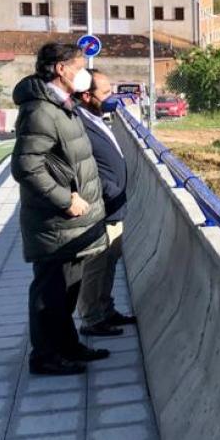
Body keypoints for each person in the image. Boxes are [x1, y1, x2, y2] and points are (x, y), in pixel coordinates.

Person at [11, 42, 110, 376]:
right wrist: (65, 199)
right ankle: (45, 356)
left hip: (70, 224)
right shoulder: (40, 110)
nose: (84, 73)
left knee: (66, 291)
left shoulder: (60, 105)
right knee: (50, 293)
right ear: (60, 69)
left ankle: (67, 345)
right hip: (54, 221)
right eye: (79, 65)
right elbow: (26, 167)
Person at [73, 69, 137, 336]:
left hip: (112, 204)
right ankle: (91, 317)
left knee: (109, 260)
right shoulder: (78, 122)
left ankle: (105, 308)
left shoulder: (94, 116)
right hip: (101, 206)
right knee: (96, 264)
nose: (112, 98)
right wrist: (106, 191)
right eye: (106, 93)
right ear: (87, 96)